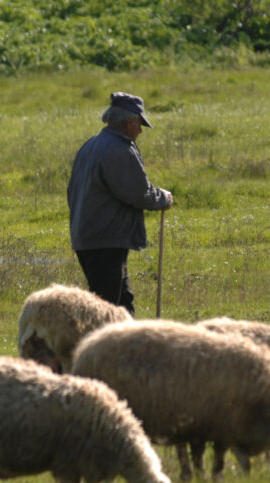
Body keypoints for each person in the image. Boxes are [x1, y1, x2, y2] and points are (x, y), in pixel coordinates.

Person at [66, 91, 173, 317]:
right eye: (140, 124)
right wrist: (163, 198)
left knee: (122, 304)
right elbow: (138, 193)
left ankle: (128, 349)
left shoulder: (91, 145)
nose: (141, 131)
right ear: (129, 121)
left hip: (88, 237)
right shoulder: (119, 149)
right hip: (106, 241)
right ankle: (97, 350)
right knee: (107, 311)